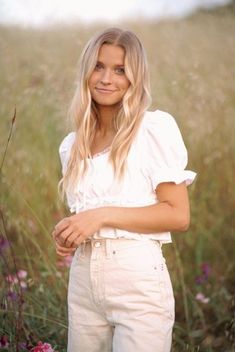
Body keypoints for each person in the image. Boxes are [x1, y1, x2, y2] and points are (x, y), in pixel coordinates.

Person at [52, 27, 196, 352]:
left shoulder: (152, 130)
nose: (106, 78)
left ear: (135, 77)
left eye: (120, 70)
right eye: (98, 66)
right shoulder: (71, 146)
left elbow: (177, 215)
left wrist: (100, 216)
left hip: (137, 280)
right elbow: (88, 215)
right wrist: (72, 233)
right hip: (83, 282)